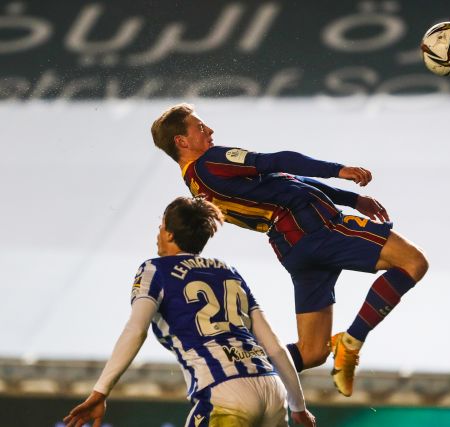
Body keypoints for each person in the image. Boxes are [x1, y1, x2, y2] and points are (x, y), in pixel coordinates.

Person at [150, 104, 428, 397]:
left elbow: (283, 183)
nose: (210, 131)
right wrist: (338, 171)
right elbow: (276, 162)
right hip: (315, 225)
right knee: (413, 262)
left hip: (290, 246)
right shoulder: (210, 161)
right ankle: (352, 341)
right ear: (181, 141)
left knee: (312, 352)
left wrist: (351, 199)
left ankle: (234, 375)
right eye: (199, 127)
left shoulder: (196, 185)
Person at [64, 197, 316, 427]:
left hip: (224, 392)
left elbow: (135, 329)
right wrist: (299, 406)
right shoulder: (230, 272)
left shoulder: (155, 269)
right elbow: (274, 347)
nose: (158, 233)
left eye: (160, 227)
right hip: (273, 390)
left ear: (170, 234)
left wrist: (100, 392)